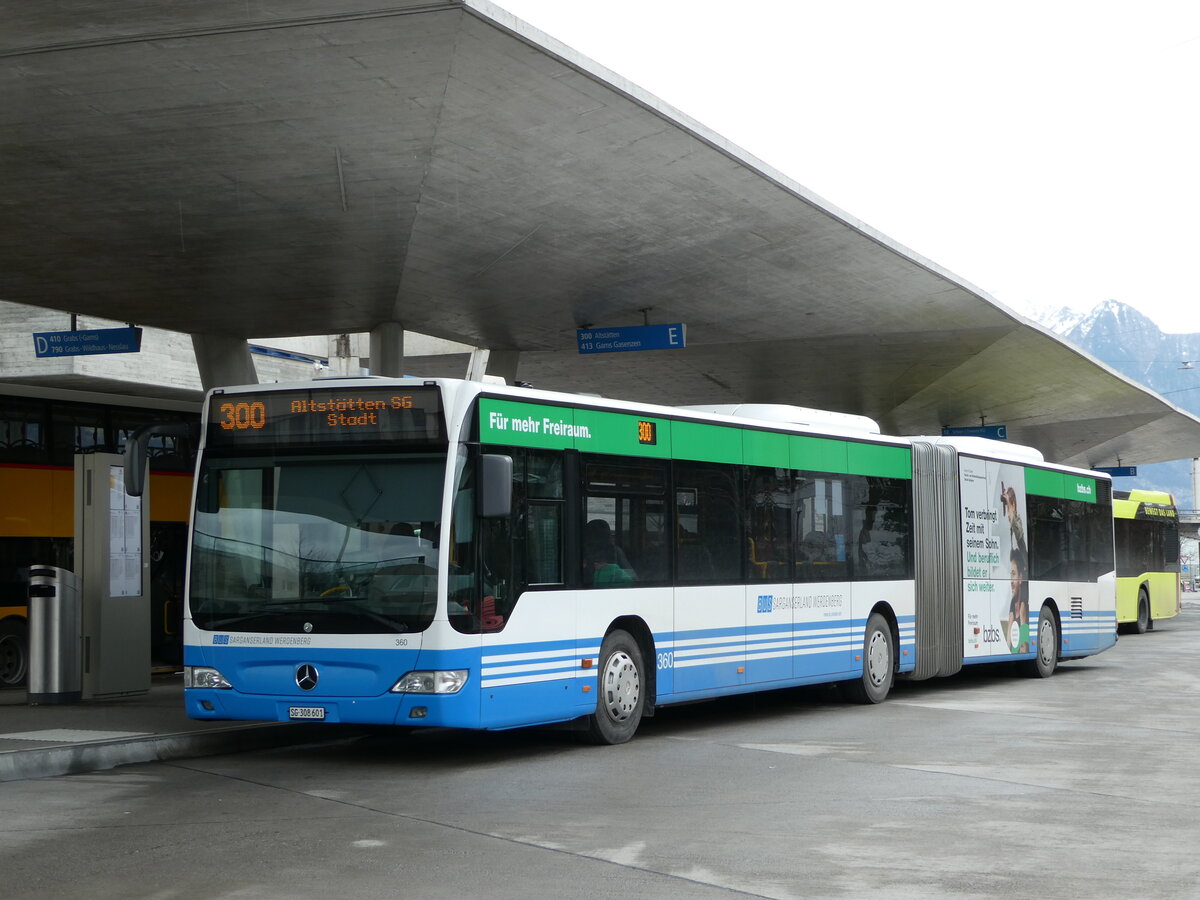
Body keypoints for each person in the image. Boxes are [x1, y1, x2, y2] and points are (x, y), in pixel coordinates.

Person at [1003, 547, 1030, 653]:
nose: (1010, 580)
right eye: (1011, 574)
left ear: (1020, 578)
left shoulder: (1024, 606)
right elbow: (1008, 641)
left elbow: (1024, 646)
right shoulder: (1012, 605)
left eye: (1013, 574)